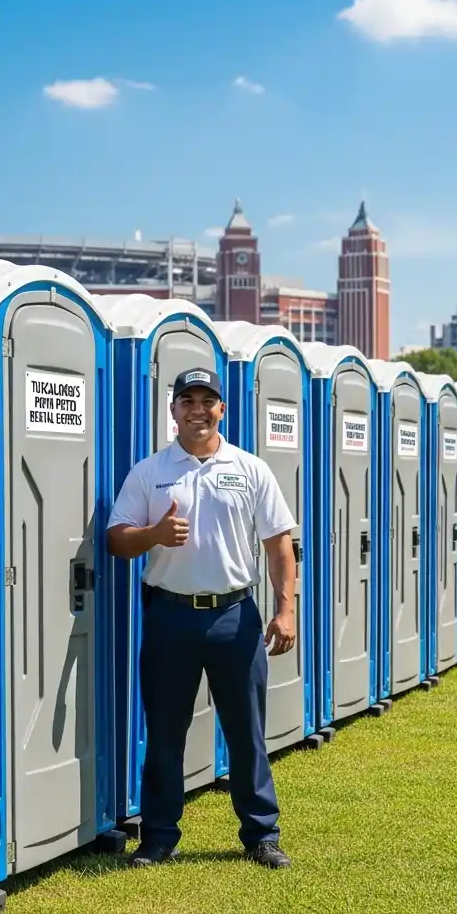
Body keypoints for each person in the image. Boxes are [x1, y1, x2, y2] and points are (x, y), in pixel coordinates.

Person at [106, 366, 297, 870]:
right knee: (165, 730)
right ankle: (159, 838)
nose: (197, 410)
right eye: (187, 401)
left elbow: (278, 544)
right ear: (172, 411)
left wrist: (285, 609)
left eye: (206, 401)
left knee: (246, 730)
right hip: (170, 617)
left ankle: (262, 835)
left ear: (222, 409)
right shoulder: (149, 471)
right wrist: (154, 535)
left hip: (235, 616)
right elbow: (116, 539)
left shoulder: (250, 468)